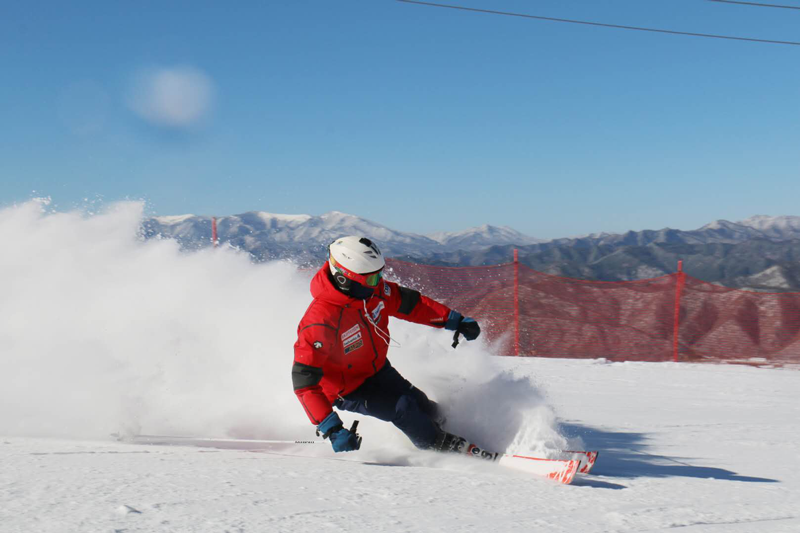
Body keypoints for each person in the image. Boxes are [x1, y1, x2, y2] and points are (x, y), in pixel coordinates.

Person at [292, 236, 481, 454]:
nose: (379, 281)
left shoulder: (372, 292)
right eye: (372, 278)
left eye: (379, 274)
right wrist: (332, 428)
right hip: (347, 390)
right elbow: (304, 382)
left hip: (377, 370)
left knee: (420, 403)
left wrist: (454, 320)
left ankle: (449, 429)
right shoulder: (321, 320)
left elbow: (411, 305)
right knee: (404, 409)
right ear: (345, 279)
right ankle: (438, 447)